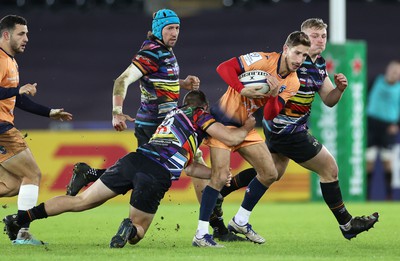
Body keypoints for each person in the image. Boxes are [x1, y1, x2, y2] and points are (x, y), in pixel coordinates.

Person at [64, 8, 243, 242]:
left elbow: (157, 79)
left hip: (169, 126)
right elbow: (122, 80)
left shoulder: (164, 51)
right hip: (157, 128)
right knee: (176, 172)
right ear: (159, 29)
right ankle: (216, 228)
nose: (175, 33)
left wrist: (183, 84)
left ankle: (91, 174)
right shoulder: (150, 52)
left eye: (178, 28)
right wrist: (117, 112)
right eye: (170, 28)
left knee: (141, 173)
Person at [3, 90, 256, 248]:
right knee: (139, 232)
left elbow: (189, 169)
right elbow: (230, 139)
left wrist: (214, 174)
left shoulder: (173, 116)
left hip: (134, 160)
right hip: (156, 174)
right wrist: (246, 128)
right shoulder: (199, 115)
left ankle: (21, 218)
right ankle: (129, 228)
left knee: (81, 201)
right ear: (202, 107)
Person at [261, 18, 379, 240]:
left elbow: (329, 99)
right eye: (314, 36)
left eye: (323, 36)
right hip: (287, 129)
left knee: (271, 173)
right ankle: (346, 224)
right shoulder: (292, 61)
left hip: (286, 128)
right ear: (302, 37)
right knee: (330, 169)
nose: (320, 40)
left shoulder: (319, 63)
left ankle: (223, 193)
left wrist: (341, 89)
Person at [192, 31, 311, 247]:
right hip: (222, 122)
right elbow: (224, 67)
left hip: (247, 127)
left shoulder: (293, 82)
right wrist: (242, 89)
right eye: (297, 53)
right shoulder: (263, 59)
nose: (299, 60)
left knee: (270, 173)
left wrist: (274, 95)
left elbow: (268, 115)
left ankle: (240, 221)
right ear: (286, 49)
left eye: (304, 56)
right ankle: (200, 234)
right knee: (219, 177)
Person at [0, 14, 73, 245]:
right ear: (6, 35)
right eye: (21, 33)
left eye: (27, 34)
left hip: (3, 125)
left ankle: (21, 230)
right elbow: (15, 94)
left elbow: (18, 101)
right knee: (33, 174)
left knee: (12, 185)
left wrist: (49, 112)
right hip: (1, 128)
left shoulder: (11, 61)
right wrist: (17, 91)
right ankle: (22, 233)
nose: (27, 39)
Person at [366, 60, 400, 200]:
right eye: (393, 70)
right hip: (372, 125)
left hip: (388, 127)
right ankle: (366, 195)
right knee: (369, 160)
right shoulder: (375, 81)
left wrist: (397, 124)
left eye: (397, 72)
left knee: (387, 161)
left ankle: (389, 196)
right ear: (387, 70)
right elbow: (364, 97)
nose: (394, 73)